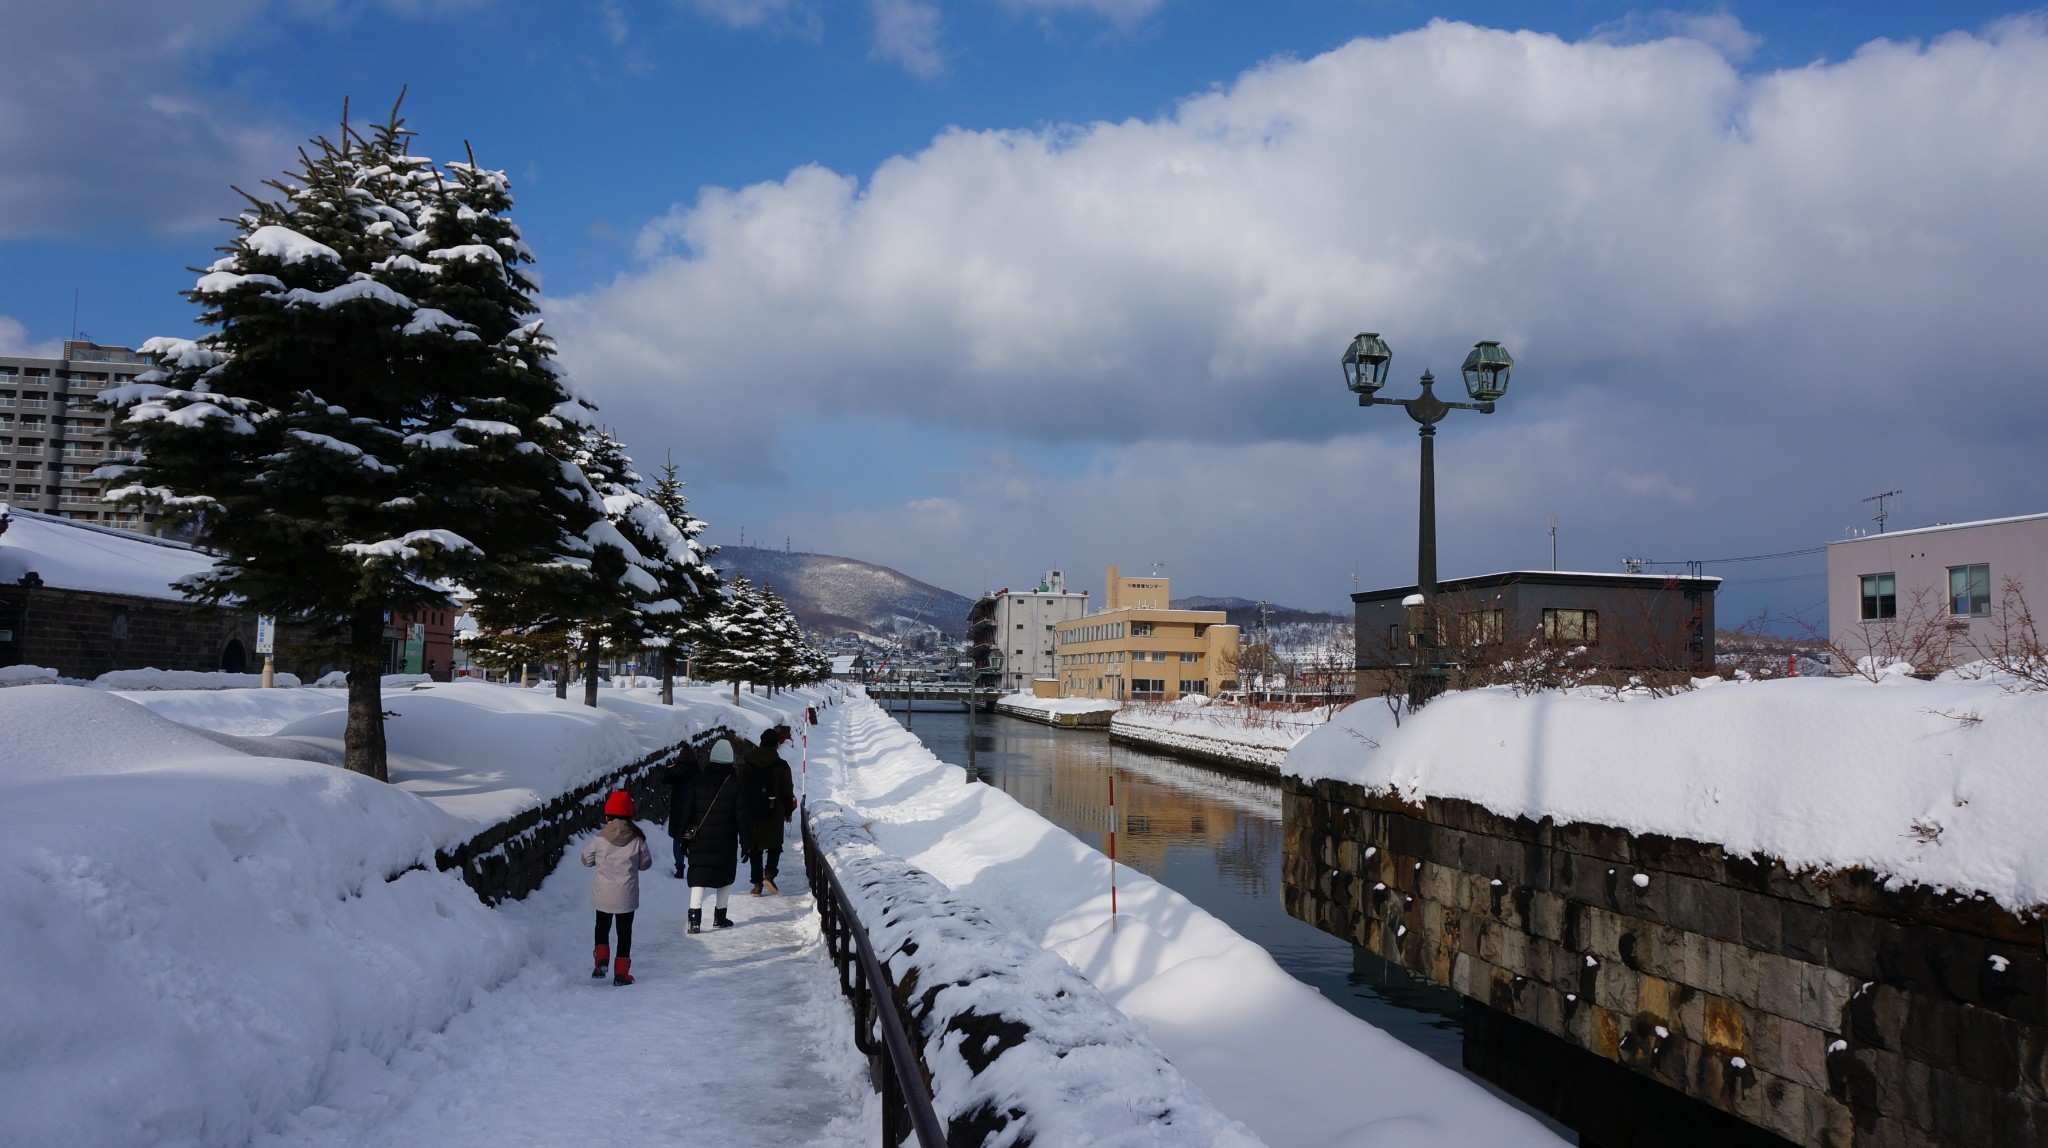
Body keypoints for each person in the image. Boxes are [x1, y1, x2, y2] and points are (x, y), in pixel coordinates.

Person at [581, 790, 652, 986]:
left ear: (607, 815)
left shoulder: (600, 838)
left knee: (601, 927)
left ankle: (601, 960)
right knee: (624, 932)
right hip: (626, 897)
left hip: (603, 895)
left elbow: (586, 860)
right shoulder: (637, 839)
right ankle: (621, 974)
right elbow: (645, 864)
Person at [676, 738, 743, 933]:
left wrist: (683, 838)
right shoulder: (735, 784)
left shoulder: (698, 781)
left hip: (700, 839)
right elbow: (742, 816)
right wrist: (747, 842)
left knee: (698, 876)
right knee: (725, 877)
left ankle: (694, 920)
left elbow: (687, 812)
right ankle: (719, 917)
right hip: (725, 840)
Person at [739, 726, 797, 896]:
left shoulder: (747, 764)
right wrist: (788, 812)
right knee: (775, 845)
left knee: (755, 848)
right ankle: (769, 874)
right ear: (776, 745)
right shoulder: (781, 766)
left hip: (752, 811)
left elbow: (741, 789)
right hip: (773, 812)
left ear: (761, 743)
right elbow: (787, 792)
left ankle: (757, 885)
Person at [660, 740, 703, 879]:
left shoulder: (675, 772)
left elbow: (665, 776)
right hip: (693, 813)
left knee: (677, 839)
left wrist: (674, 765)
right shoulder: (699, 774)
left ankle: (679, 866)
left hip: (678, 813)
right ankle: (693, 865)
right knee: (690, 838)